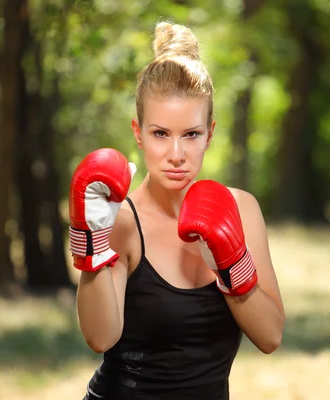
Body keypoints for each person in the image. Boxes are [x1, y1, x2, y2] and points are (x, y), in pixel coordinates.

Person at [69, 21, 285, 400]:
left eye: (191, 134)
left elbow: (270, 336)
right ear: (137, 132)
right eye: (160, 134)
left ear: (210, 133)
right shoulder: (120, 221)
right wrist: (92, 239)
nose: (176, 155)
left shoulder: (242, 210)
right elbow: (99, 337)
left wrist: (233, 267)